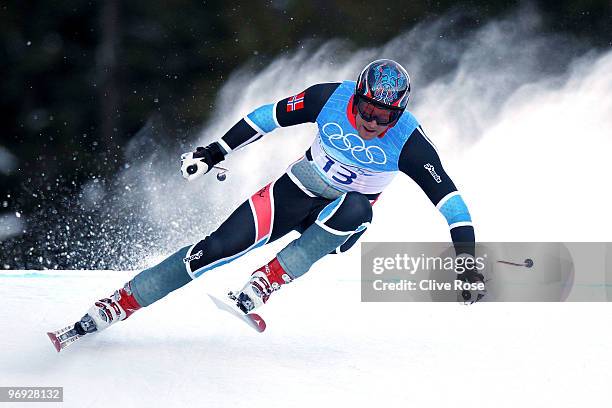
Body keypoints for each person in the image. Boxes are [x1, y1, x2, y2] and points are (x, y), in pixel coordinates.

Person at [74, 59, 484, 336]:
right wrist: (215, 150)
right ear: (355, 96)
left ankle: (265, 282)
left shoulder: (409, 142)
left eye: (384, 116)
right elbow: (267, 117)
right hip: (296, 188)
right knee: (215, 248)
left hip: (339, 216)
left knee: (358, 206)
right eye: (366, 110)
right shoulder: (329, 98)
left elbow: (452, 203)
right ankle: (119, 302)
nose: (371, 122)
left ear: (399, 115)